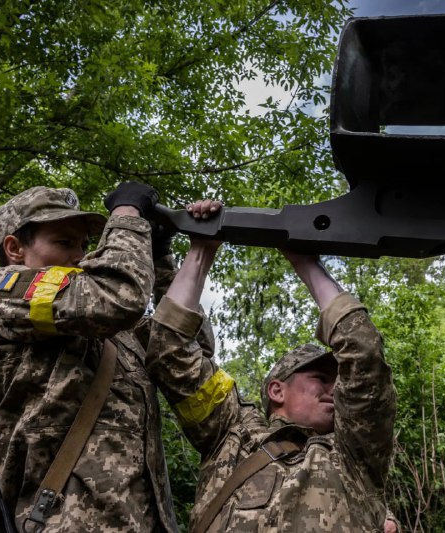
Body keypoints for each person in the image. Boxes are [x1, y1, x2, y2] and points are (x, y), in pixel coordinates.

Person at [0, 183, 215, 532]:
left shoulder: (108, 331)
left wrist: (162, 257)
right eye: (64, 242)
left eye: (83, 245)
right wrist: (125, 214)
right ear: (15, 248)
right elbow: (118, 298)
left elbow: (185, 348)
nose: (78, 255)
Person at [151, 203, 397, 532]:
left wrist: (305, 262)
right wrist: (201, 249)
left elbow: (363, 351)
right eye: (321, 378)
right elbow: (169, 350)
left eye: (338, 381)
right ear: (277, 390)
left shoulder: (355, 452)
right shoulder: (231, 434)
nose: (335, 388)